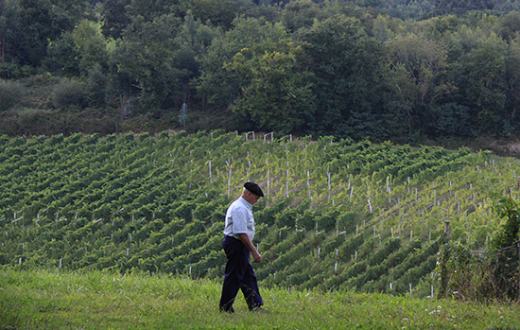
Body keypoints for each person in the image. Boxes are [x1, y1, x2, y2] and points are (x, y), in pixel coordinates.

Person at [219, 182, 264, 313]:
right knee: (234, 276)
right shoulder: (239, 208)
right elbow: (241, 233)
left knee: (247, 276)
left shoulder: (245, 207)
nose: (256, 200)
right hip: (236, 244)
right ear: (248, 194)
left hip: (240, 244)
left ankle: (255, 304)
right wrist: (254, 251)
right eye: (255, 197)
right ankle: (225, 307)